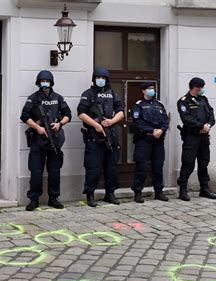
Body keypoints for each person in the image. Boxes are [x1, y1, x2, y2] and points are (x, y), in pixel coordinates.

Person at [20, 70, 72, 212]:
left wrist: (59, 124)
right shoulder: (33, 98)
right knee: (36, 171)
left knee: (54, 171)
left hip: (54, 139)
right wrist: (37, 127)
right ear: (38, 83)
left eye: (47, 81)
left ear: (51, 82)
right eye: (42, 81)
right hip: (38, 139)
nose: (44, 83)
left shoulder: (58, 98)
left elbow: (68, 114)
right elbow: (24, 116)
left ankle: (53, 198)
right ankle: (34, 199)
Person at [78, 67, 124, 207]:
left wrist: (111, 121)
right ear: (94, 79)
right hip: (95, 137)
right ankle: (90, 195)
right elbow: (81, 113)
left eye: (103, 78)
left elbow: (121, 111)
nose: (101, 80)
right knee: (93, 168)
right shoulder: (88, 94)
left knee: (112, 167)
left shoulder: (112, 93)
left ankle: (110, 193)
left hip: (111, 135)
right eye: (98, 78)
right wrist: (95, 125)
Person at [177, 77, 216, 201]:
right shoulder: (184, 101)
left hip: (204, 137)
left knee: (204, 162)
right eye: (201, 88)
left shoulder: (203, 100)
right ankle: (183, 189)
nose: (202, 90)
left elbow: (211, 115)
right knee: (188, 162)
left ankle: (204, 188)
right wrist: (201, 126)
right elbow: (187, 119)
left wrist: (208, 126)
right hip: (191, 137)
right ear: (195, 88)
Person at [131, 82, 170, 203]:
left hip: (158, 140)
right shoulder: (138, 105)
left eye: (152, 88)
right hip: (144, 140)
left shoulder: (159, 105)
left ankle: (159, 192)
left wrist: (161, 130)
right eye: (149, 89)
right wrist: (152, 130)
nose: (151, 90)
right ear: (143, 91)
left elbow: (165, 121)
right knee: (141, 167)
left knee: (158, 167)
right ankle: (138, 193)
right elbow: (138, 123)